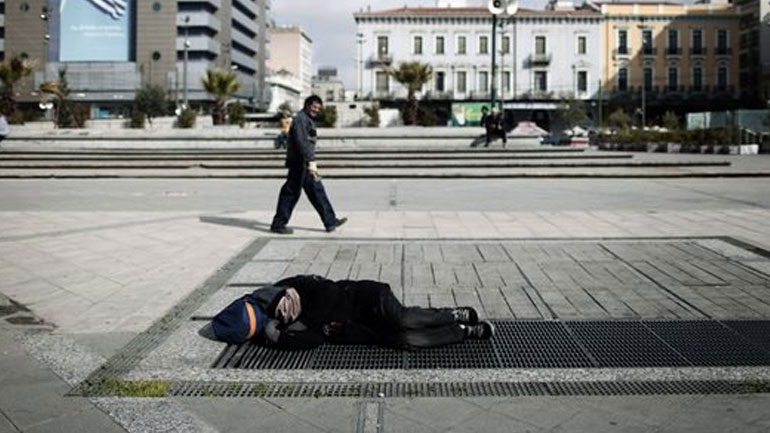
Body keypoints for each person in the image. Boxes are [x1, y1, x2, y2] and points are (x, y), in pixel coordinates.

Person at [208, 274, 495, 350]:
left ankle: (453, 314)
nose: (283, 314)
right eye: (275, 319)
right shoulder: (276, 330)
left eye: (277, 310)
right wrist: (280, 337)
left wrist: (306, 321)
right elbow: (314, 341)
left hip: (365, 297)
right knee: (407, 341)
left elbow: (330, 290)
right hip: (359, 329)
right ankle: (463, 331)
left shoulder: (290, 286)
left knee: (403, 318)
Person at [270, 95, 346, 235]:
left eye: (318, 108)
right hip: (299, 162)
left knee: (317, 190)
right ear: (307, 105)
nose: (316, 110)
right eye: (314, 107)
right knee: (291, 193)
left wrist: (311, 161)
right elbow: (301, 142)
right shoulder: (300, 119)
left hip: (305, 162)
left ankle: (330, 221)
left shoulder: (306, 119)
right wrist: (310, 160)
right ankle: (278, 224)